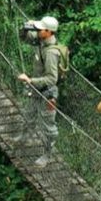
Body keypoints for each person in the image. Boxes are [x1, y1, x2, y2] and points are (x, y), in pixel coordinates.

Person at [16, 16, 69, 167]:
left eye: (40, 29)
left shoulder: (51, 52)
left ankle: (48, 154)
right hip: (36, 89)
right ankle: (23, 138)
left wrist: (30, 80)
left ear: (49, 32)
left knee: (48, 126)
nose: (38, 30)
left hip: (47, 93)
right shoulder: (40, 40)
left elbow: (52, 79)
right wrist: (26, 26)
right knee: (29, 114)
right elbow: (23, 37)